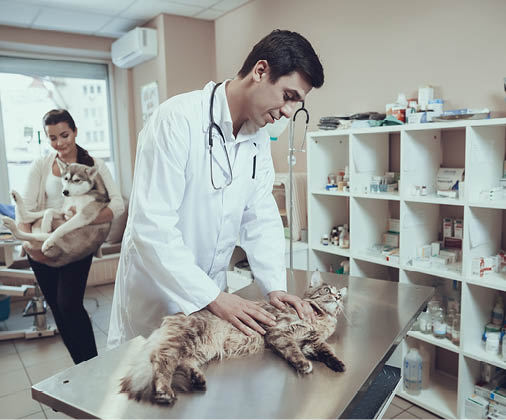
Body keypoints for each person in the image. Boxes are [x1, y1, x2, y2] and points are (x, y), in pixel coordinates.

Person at [108, 29, 324, 348]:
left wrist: (274, 286)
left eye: (297, 104)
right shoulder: (176, 120)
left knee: (201, 382)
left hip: (211, 297)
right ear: (260, 71)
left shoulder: (258, 140)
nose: (289, 112)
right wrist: (211, 296)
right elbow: (150, 227)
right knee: (148, 384)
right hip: (157, 298)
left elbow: (260, 217)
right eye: (288, 96)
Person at [18, 109, 124, 364]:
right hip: (42, 245)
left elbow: (117, 205)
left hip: (78, 246)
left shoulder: (94, 166)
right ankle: (81, 369)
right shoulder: (40, 166)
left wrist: (85, 218)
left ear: (75, 131)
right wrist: (29, 243)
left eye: (64, 135)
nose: (59, 143)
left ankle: (92, 366)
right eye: (53, 138)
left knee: (69, 305)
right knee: (58, 310)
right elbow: (27, 207)